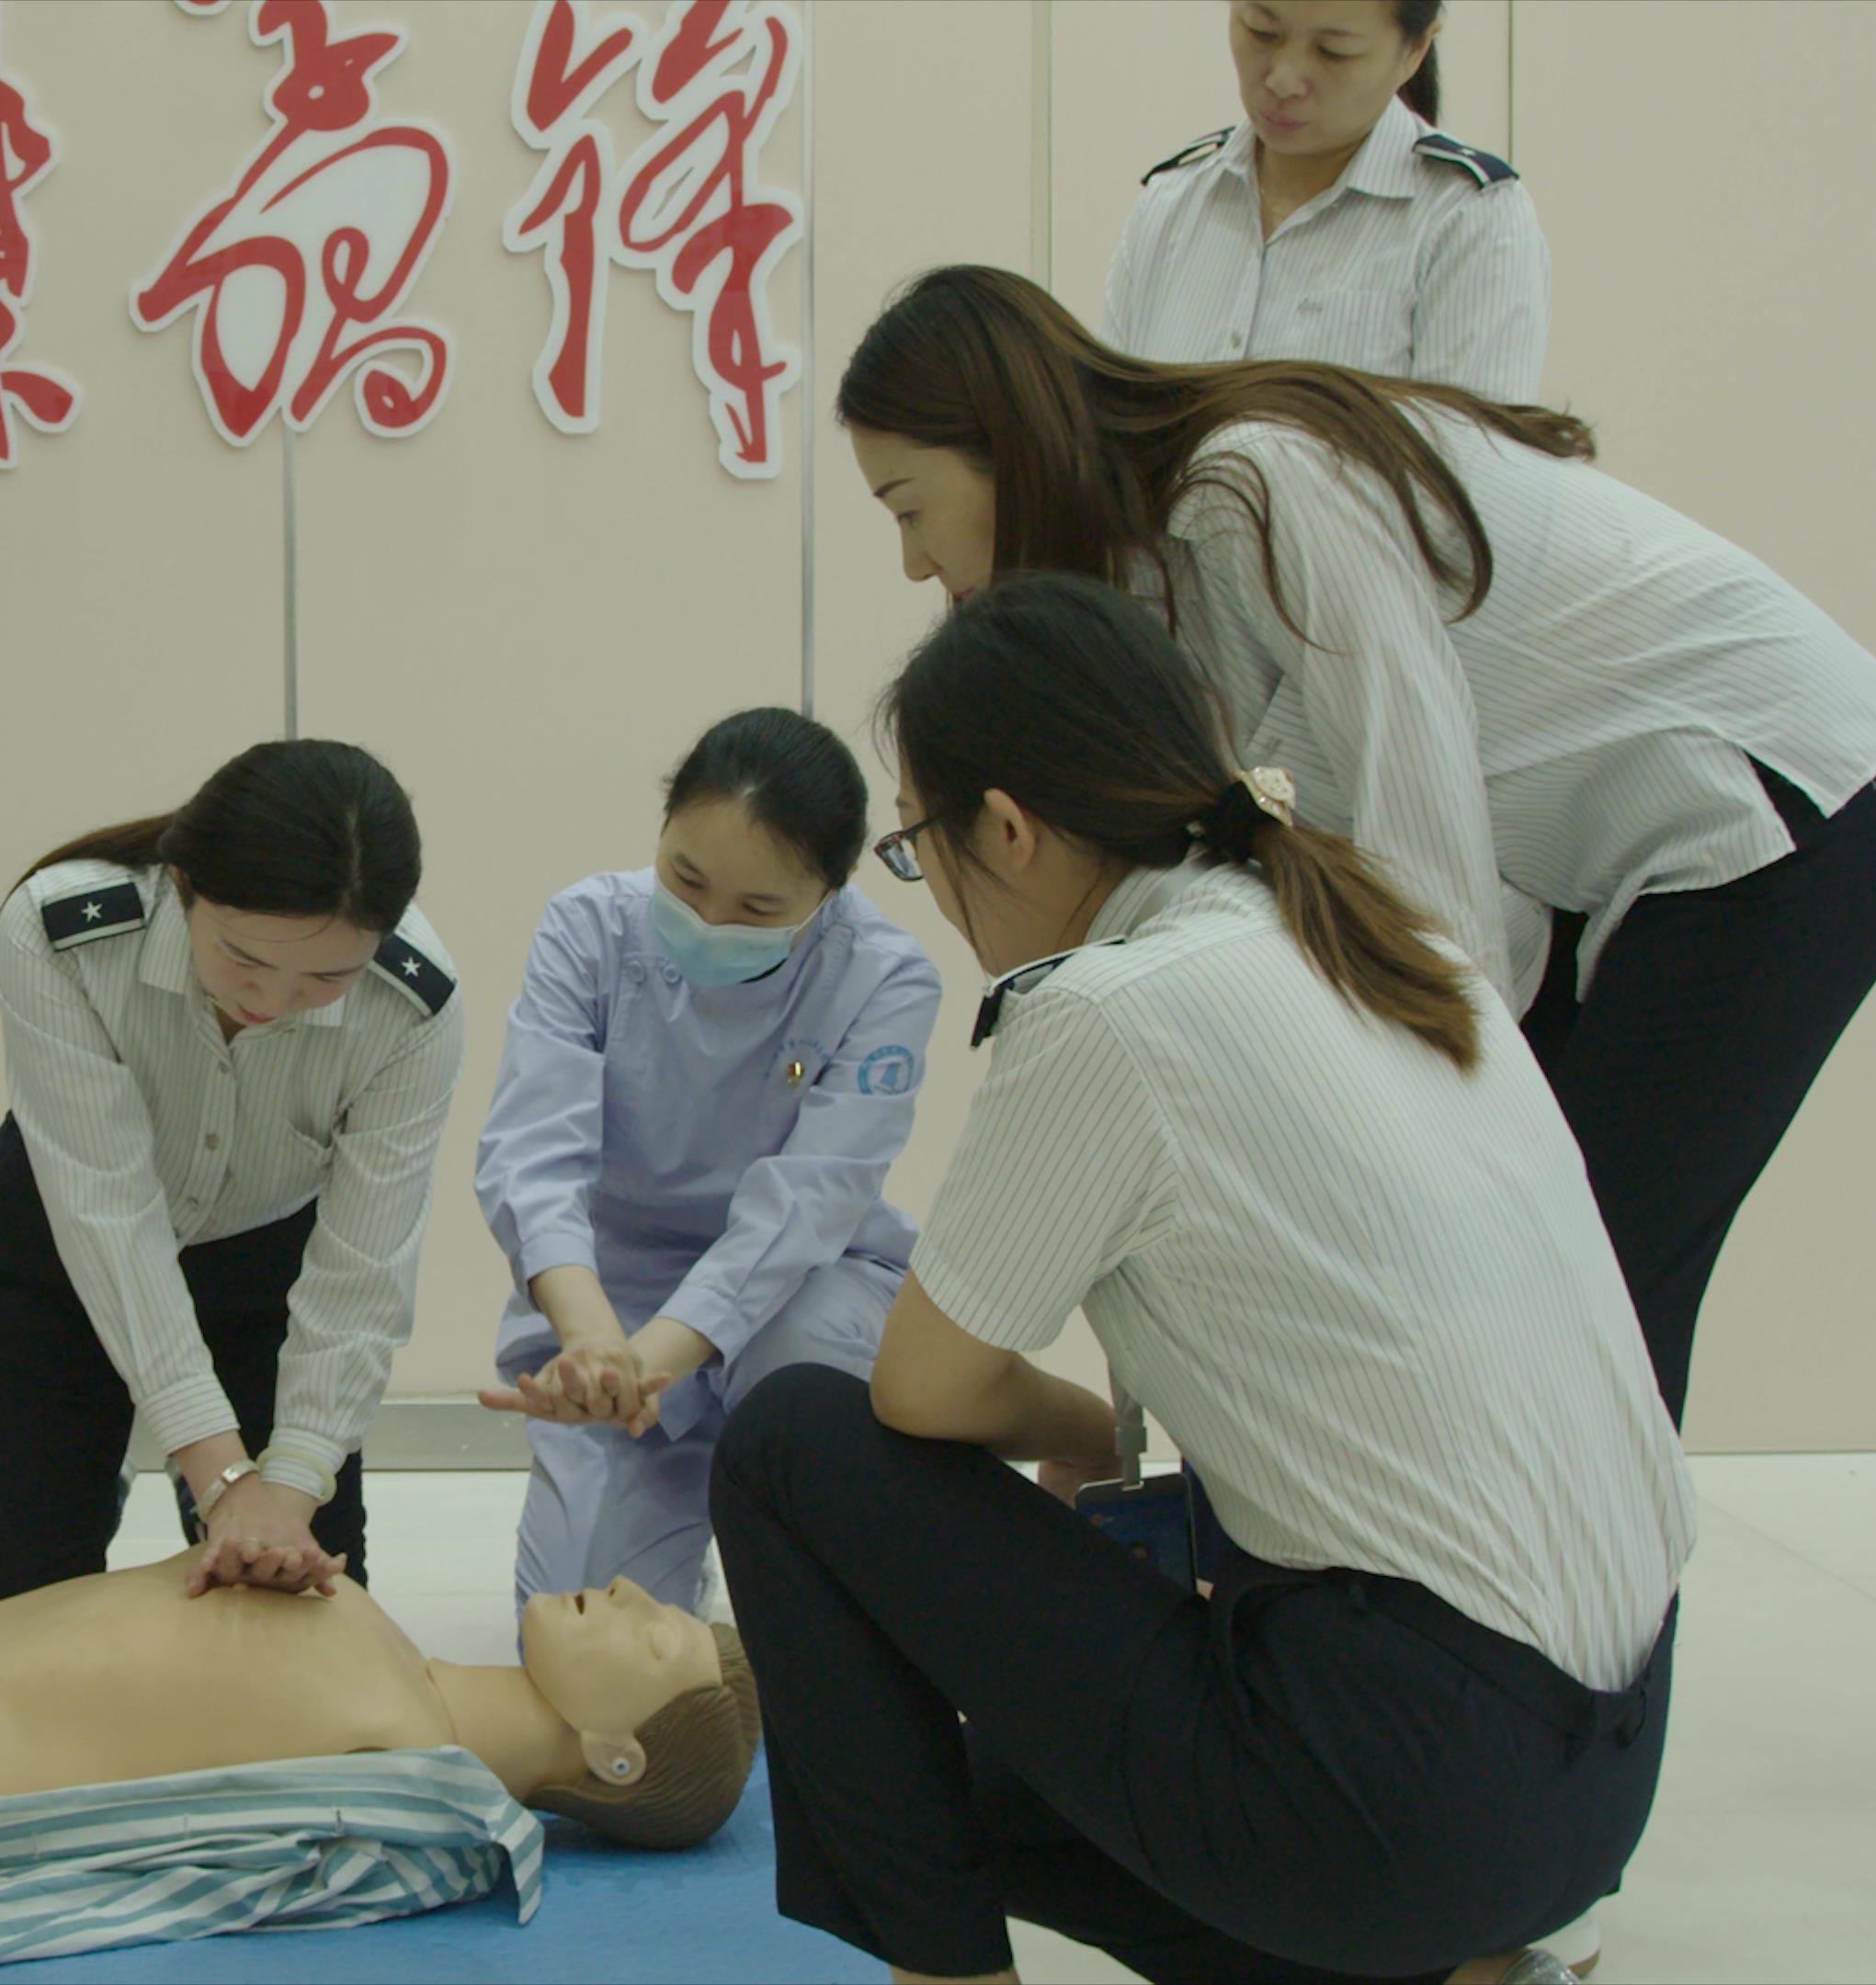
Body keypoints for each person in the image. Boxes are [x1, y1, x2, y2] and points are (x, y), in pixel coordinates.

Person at [710, 573, 1690, 1985]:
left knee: (791, 1441)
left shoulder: (1111, 1009)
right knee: (946, 1804)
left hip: (1414, 1786)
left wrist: (1082, 1432)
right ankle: (1450, 1968)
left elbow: (921, 1392)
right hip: (1594, 1789)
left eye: (919, 846)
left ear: (1006, 829)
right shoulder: (1393, 943)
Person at [839, 264, 1876, 1420]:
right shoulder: (1154, 577)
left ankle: (1590, 1544)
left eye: (908, 508)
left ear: (1004, 446)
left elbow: (1422, 833)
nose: (914, 563)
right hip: (1615, 859)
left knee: (1591, 1280)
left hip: (1776, 802)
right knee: (1520, 1266)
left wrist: (1398, 1125)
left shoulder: (1254, 484)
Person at [0, 739, 465, 1607]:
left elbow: (365, 1267)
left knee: (303, 1600)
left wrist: (289, 1487)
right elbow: (108, 1215)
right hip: (64, 1248)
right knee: (20, 1601)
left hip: (265, 1265)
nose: (270, 1001)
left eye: (327, 976)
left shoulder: (413, 1005)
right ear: (184, 882)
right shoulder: (64, 931)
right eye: (244, 958)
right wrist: (222, 1477)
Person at [473, 709, 939, 1617]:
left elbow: (809, 1204)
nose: (710, 921)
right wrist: (595, 1344)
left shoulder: (883, 978)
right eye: (685, 880)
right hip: (614, 1298)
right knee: (586, 1640)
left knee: (797, 1371)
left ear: (832, 891)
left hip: (805, 1288)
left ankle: (807, 1566)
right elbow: (533, 1155)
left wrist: (650, 1359)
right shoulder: (588, 929)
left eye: (758, 911)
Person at [0, 1552, 752, 1843]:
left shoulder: (387, 1759)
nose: (631, 1590)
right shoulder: (391, 1681)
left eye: (654, 1639)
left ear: (616, 1756)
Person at [1107, 2, 1547, 401]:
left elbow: (1470, 460)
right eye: (1261, 32)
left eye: (1334, 52)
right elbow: (1108, 432)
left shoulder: (1468, 220)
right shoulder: (1172, 202)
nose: (1283, 81)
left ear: (1415, 50)